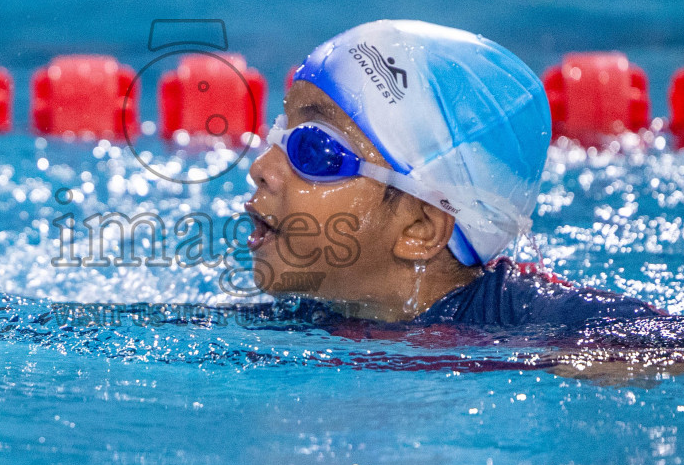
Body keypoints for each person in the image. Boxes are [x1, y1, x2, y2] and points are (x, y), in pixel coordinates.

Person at [244, 18, 661, 328]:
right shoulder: (310, 312)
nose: (260, 168)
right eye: (280, 131)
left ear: (420, 228)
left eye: (313, 148)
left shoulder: (553, 327)